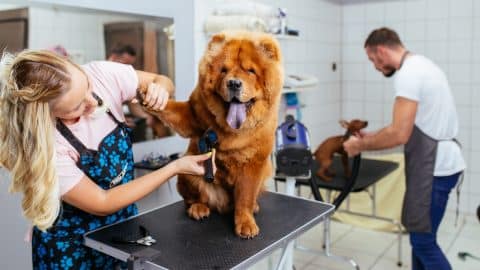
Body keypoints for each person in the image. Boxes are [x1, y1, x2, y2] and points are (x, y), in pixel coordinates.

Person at [0, 50, 215, 269]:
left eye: (87, 87)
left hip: (122, 230)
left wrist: (159, 89)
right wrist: (175, 167)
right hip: (69, 246)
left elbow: (163, 81)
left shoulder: (101, 73)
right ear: (47, 115)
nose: (92, 102)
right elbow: (102, 202)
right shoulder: (48, 145)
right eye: (76, 107)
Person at [343, 27, 465, 270]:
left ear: (381, 51)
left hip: (435, 169)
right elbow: (409, 124)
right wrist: (373, 135)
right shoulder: (422, 65)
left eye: (372, 60)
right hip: (437, 165)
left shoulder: (408, 75)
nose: (375, 66)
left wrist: (359, 145)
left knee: (423, 242)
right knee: (420, 239)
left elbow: (400, 133)